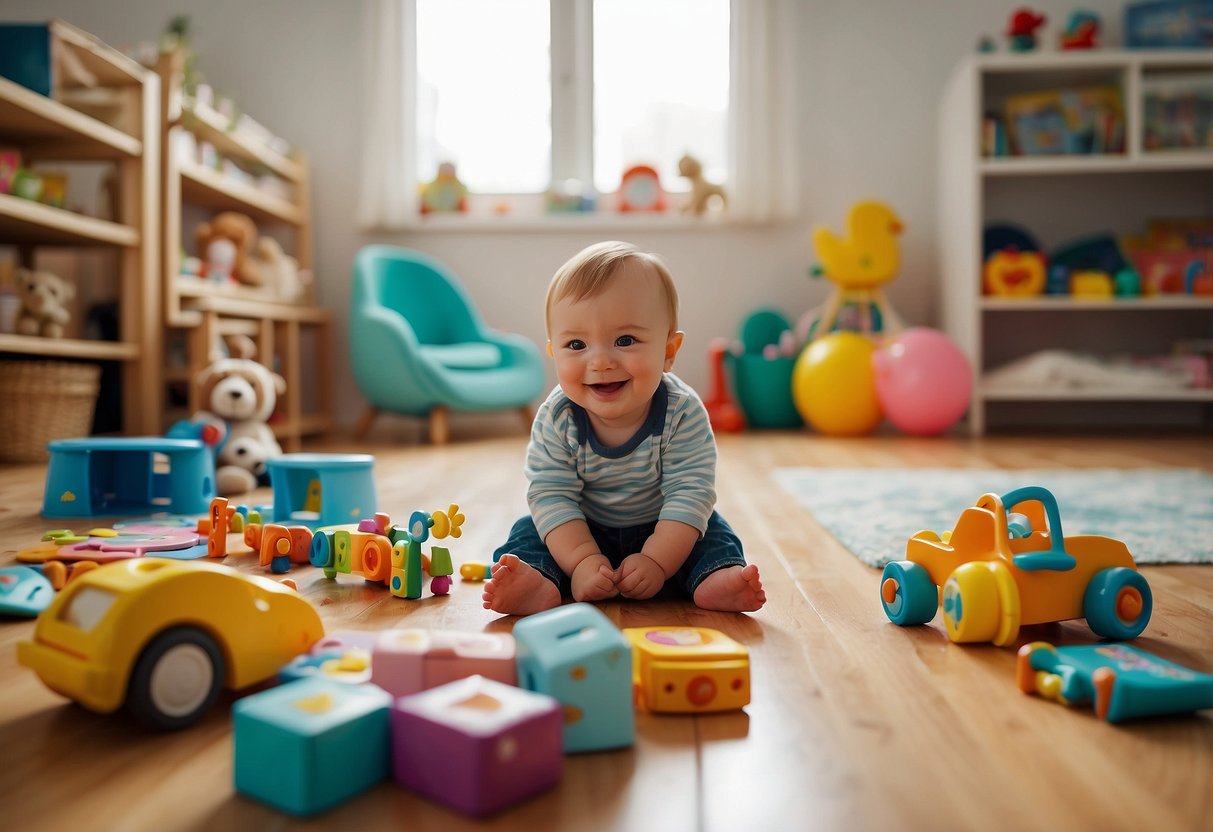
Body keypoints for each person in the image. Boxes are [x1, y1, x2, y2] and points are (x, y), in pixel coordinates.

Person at [482, 241, 766, 616]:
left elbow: (689, 493)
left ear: (668, 351)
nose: (600, 361)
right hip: (581, 528)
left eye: (625, 340)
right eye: (577, 344)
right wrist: (582, 561)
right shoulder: (558, 418)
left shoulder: (681, 412)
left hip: (666, 526)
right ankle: (538, 582)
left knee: (712, 531)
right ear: (554, 352)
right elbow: (552, 495)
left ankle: (717, 579)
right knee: (529, 532)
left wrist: (658, 561)